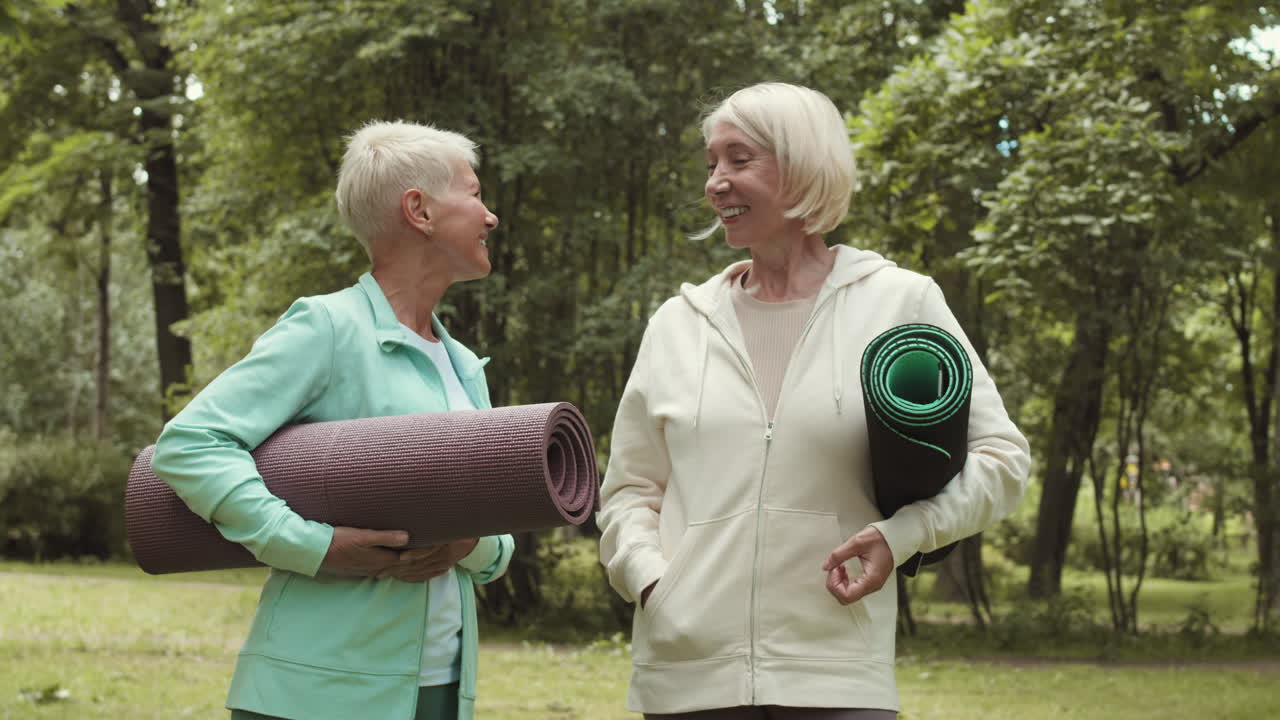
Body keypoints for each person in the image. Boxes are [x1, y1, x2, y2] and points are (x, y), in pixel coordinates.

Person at [597, 82, 1031, 719]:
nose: (716, 182)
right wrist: (654, 581)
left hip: (839, 677)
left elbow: (1001, 458)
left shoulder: (900, 302)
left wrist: (904, 535)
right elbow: (630, 488)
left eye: (739, 161)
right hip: (686, 680)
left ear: (801, 166)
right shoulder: (677, 323)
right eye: (711, 163)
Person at [150, 120, 515, 720]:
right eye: (474, 193)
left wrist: (468, 542)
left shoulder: (462, 365)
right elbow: (191, 443)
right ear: (418, 210)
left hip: (441, 692)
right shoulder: (326, 329)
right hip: (311, 696)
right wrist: (313, 546)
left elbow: (496, 545)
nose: (490, 215)